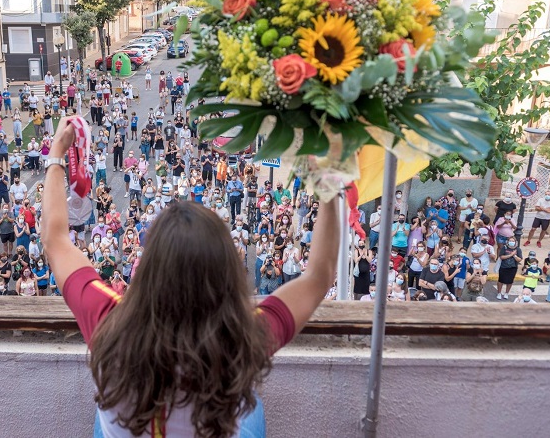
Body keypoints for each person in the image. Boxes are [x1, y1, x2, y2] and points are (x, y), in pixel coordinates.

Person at [42, 117, 340, 436]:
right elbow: (319, 276)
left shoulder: (107, 321)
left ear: (149, 269)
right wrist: (327, 181)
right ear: (226, 273)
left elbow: (55, 239)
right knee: (252, 401)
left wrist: (58, 153)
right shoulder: (243, 339)